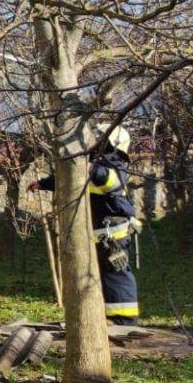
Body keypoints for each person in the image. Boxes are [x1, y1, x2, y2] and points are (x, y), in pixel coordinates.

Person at [28, 124, 141, 325]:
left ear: (110, 142)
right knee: (100, 277)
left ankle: (125, 319)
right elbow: (73, 179)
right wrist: (44, 183)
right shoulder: (94, 163)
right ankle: (106, 318)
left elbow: (110, 182)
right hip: (99, 233)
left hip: (114, 235)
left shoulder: (115, 164)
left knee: (116, 275)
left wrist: (88, 166)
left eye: (99, 138)